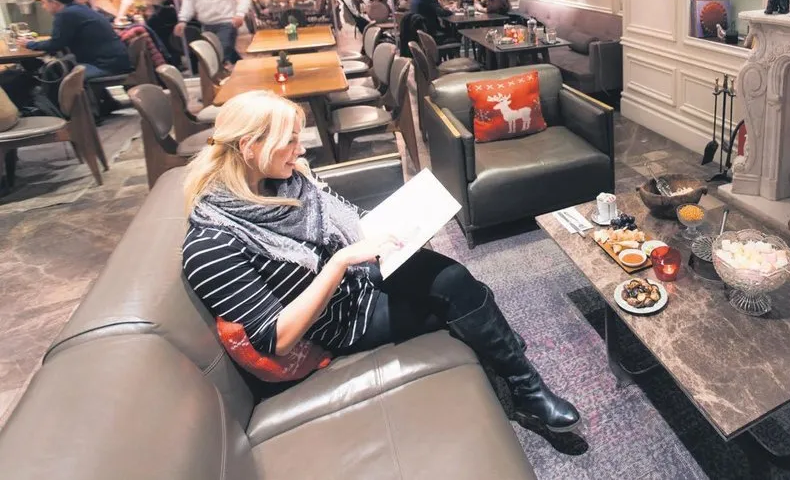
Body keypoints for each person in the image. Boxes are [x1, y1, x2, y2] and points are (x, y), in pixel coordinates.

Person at [180, 91, 581, 432]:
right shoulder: (212, 245)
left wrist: (387, 226)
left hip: (360, 277)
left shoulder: (281, 181)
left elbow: (341, 219)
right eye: (290, 141)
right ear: (249, 147)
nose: (300, 150)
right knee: (468, 301)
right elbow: (278, 340)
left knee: (456, 279)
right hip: (343, 320)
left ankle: (513, 364)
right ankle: (527, 387)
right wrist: (340, 262)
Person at [19, 0, 131, 81]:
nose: (43, 7)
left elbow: (56, 44)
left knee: (58, 75)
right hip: (117, 60)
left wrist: (30, 44)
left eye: (44, 3)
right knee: (61, 64)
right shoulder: (80, 8)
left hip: (105, 65)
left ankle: (58, 101)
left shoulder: (65, 15)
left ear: (54, 3)